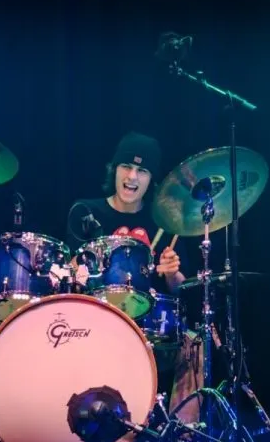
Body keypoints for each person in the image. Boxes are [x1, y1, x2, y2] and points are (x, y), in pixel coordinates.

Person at [65, 131, 203, 425]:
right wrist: (77, 267)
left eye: (142, 170)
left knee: (194, 345)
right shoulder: (87, 211)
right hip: (97, 321)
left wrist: (172, 273)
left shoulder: (164, 222)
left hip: (149, 328)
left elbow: (180, 290)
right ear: (113, 169)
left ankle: (183, 438)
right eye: (126, 166)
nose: (132, 176)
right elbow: (70, 276)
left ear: (151, 179)